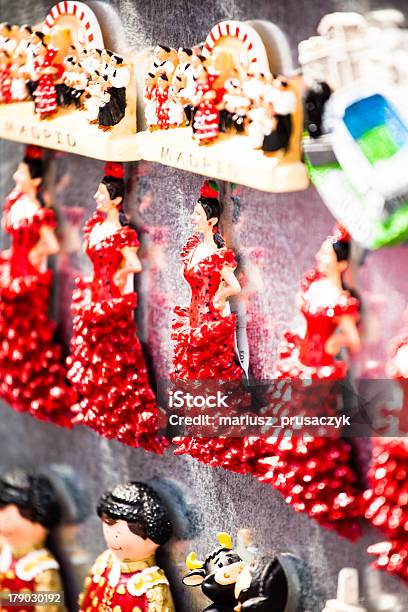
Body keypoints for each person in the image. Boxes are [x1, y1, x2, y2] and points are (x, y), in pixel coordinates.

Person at [66, 162, 167, 452]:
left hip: (111, 299)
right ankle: (100, 406)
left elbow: (134, 264)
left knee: (116, 356)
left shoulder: (122, 233)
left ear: (116, 200)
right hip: (95, 295)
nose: (96, 198)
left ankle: (127, 413)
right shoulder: (95, 227)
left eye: (101, 194)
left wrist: (120, 275)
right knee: (95, 356)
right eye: (97, 193)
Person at [0, 146, 76, 426]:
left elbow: (52, 244)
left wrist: (35, 254)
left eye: (22, 172)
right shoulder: (17, 202)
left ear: (35, 180)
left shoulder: (36, 210)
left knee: (29, 328)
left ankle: (40, 386)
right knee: (12, 329)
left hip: (29, 277)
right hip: (12, 272)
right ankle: (17, 381)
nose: (18, 175)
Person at [79, 481, 175, 612]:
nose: (111, 536)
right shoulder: (105, 561)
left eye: (117, 532)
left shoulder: (152, 586)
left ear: (152, 539)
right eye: (106, 526)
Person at [0, 468, 66, 612]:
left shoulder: (41, 567)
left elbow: (50, 603)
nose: (4, 518)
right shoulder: (3, 547)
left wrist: (7, 599)